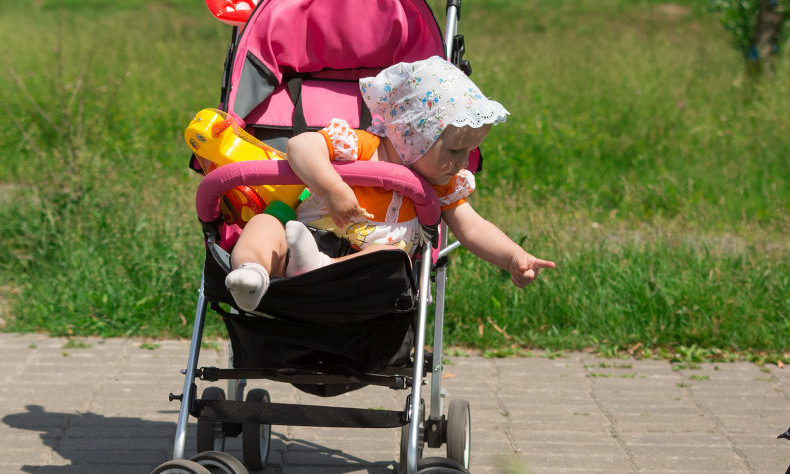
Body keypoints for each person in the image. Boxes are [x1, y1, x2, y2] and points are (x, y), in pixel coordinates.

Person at [224, 56, 555, 311]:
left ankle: (317, 268)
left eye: (469, 151)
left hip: (357, 279)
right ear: (413, 135)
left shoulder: (442, 185)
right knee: (267, 222)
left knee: (391, 258)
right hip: (296, 247)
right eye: (455, 149)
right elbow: (300, 146)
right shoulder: (362, 147)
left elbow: (472, 228)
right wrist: (333, 188)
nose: (463, 161)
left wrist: (513, 256)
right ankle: (251, 273)